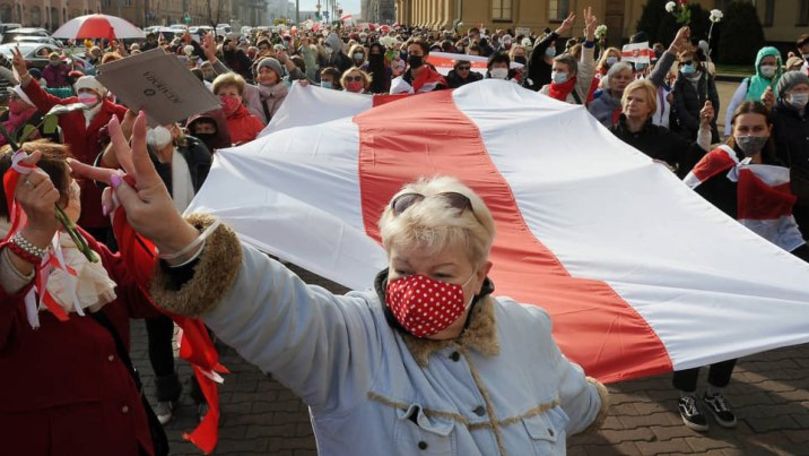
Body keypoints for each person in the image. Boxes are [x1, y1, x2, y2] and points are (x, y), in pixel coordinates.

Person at [74, 114, 610, 454]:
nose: (419, 287)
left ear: (480, 276)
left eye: (443, 274)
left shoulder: (526, 330)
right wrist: (176, 237)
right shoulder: (351, 339)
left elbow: (579, 402)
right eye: (404, 269)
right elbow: (272, 307)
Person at [0, 141, 166, 456]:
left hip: (125, 429)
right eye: (70, 181)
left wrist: (160, 229)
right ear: (48, 197)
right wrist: (30, 242)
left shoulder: (74, 240)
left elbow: (137, 297)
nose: (78, 188)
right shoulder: (12, 253)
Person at [678, 102, 809, 431]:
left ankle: (715, 392)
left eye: (757, 129)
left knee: (736, 331)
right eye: (744, 130)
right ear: (732, 131)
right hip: (709, 263)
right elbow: (681, 201)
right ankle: (687, 394)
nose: (751, 136)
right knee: (699, 330)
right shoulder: (718, 161)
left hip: (750, 268)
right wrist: (727, 183)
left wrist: (802, 254)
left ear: (769, 131)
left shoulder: (777, 169)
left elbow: (783, 223)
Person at [12, 48, 126, 243]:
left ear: (100, 93)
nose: (84, 95)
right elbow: (44, 100)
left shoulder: (117, 113)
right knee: (74, 230)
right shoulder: (69, 107)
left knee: (105, 234)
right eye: (81, 90)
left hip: (103, 184)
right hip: (73, 182)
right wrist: (24, 74)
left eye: (89, 91)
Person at [610, 79, 712, 178]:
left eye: (639, 100)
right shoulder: (610, 135)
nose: (632, 103)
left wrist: (704, 127)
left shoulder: (663, 136)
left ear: (650, 106)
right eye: (629, 98)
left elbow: (696, 157)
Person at [771, 71, 809, 239]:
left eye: (805, 89)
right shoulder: (775, 116)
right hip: (793, 189)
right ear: (785, 93)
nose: (802, 93)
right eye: (797, 89)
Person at [540, 7, 597, 105]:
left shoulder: (579, 88)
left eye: (561, 70)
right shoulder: (545, 91)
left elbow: (587, 65)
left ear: (572, 73)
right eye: (554, 70)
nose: (556, 73)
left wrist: (590, 36)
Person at [724, 47, 783, 136]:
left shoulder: (784, 83)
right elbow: (733, 107)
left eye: (771, 63)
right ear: (758, 65)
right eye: (764, 63)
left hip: (778, 133)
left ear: (778, 64)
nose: (768, 66)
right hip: (751, 132)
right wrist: (728, 132)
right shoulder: (749, 82)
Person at [671, 50, 720, 143]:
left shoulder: (706, 78)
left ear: (696, 62)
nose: (685, 65)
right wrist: (698, 125)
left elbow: (715, 101)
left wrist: (709, 120)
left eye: (688, 62)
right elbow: (680, 109)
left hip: (708, 128)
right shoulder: (678, 83)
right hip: (688, 132)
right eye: (682, 63)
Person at [524, 12, 574, 91]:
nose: (552, 47)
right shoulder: (535, 59)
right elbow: (545, 43)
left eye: (553, 45)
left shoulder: (558, 62)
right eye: (549, 45)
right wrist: (562, 28)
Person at [211, 73, 264, 145]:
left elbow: (264, 146)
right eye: (222, 94)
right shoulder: (208, 121)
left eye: (232, 94)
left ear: (240, 97)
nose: (227, 99)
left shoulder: (253, 122)